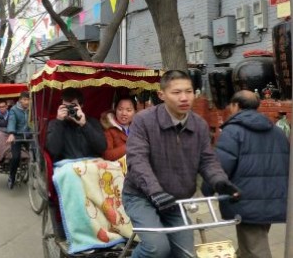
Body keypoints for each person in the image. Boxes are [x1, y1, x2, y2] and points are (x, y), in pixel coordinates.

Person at [123, 70, 240, 258]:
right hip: (141, 196)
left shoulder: (199, 125)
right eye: (176, 93)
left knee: (186, 254)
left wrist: (220, 181)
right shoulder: (143, 120)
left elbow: (207, 160)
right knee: (156, 248)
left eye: (189, 91)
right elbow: (137, 160)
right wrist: (155, 191)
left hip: (175, 200)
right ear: (162, 95)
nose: (184, 98)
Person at [202, 90, 289, 258]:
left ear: (236, 106)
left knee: (255, 249)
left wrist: (208, 189)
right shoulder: (277, 131)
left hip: (244, 198)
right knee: (250, 244)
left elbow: (220, 165)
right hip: (272, 197)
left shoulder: (232, 131)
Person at [46, 88, 106, 162]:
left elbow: (102, 148)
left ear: (81, 106)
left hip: (91, 163)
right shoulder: (55, 124)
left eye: (72, 107)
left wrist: (84, 125)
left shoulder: (92, 122)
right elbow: (53, 151)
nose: (69, 110)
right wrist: (59, 122)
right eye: (65, 107)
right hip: (67, 165)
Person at [6, 91, 32, 189]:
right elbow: (12, 121)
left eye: (28, 100)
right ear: (20, 100)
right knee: (15, 157)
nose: (26, 102)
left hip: (29, 136)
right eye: (25, 100)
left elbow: (35, 122)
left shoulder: (31, 109)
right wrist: (11, 133)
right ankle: (11, 177)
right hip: (17, 136)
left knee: (37, 153)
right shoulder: (14, 110)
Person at [100, 96, 136, 161]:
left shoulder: (139, 128)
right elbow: (107, 155)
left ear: (135, 112)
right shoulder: (108, 130)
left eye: (129, 110)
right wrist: (129, 146)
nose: (124, 113)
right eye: (120, 109)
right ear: (115, 110)